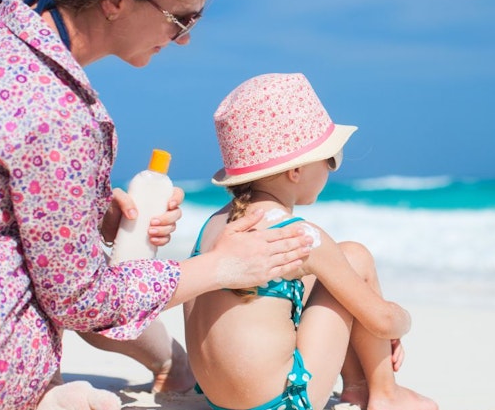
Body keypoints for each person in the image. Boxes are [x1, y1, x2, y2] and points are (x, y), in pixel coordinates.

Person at [0, 0, 314, 409]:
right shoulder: (56, 113)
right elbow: (82, 301)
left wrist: (89, 212)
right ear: (117, 0)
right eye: (180, 19)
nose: (184, 39)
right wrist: (222, 266)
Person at [184, 73, 438, 410]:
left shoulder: (215, 226)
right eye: (330, 159)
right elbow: (383, 321)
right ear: (296, 171)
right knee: (354, 257)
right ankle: (385, 394)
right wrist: (400, 322)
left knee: (325, 278)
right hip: (282, 403)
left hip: (220, 402)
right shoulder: (301, 235)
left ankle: (357, 388)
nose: (332, 170)